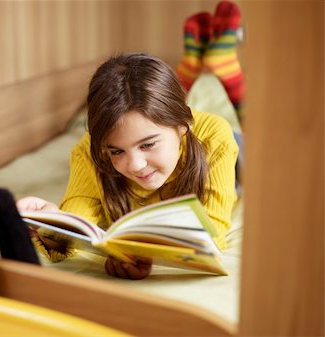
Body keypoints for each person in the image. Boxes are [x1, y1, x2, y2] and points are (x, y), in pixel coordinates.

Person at [17, 53, 239, 280]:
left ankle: (215, 73)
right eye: (117, 151)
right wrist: (50, 223)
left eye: (148, 144)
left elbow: (213, 236)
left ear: (182, 127)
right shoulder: (90, 151)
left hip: (221, 153)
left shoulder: (215, 138)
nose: (135, 165)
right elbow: (71, 236)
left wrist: (145, 250)